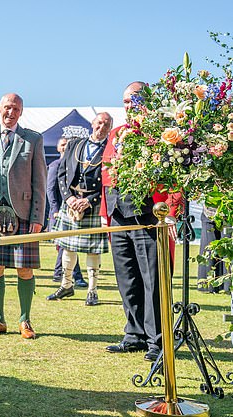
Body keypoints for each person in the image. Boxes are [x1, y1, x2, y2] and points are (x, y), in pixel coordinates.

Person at [101, 81, 180, 362]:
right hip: (118, 216)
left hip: (149, 215)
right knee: (128, 279)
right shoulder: (116, 134)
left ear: (146, 102)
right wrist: (104, 213)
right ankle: (133, 335)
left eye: (133, 100)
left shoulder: (159, 134)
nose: (128, 106)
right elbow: (105, 174)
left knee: (153, 280)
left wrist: (171, 211)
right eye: (124, 101)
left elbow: (174, 176)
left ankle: (158, 340)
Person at [0, 93, 46, 339]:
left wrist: (38, 217)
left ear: (21, 111)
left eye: (15, 108)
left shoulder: (33, 140)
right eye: (7, 107)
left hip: (23, 213)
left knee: (24, 269)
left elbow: (40, 182)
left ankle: (25, 320)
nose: (11, 112)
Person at [47, 113, 112, 306]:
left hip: (93, 203)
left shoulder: (110, 149)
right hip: (72, 201)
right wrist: (68, 198)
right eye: (99, 123)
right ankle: (66, 285)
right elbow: (62, 173)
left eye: (106, 125)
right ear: (92, 124)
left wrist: (90, 201)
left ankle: (92, 290)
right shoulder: (75, 144)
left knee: (93, 250)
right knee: (68, 246)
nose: (101, 127)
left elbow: (110, 182)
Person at [47, 136, 84, 286]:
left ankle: (60, 274)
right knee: (67, 245)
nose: (64, 147)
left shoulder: (73, 164)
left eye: (67, 145)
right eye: (62, 144)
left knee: (67, 245)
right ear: (57, 148)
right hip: (59, 212)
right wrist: (55, 209)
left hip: (71, 211)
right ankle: (76, 276)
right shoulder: (55, 165)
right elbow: (50, 189)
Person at [197, 205, 230, 293]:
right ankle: (227, 285)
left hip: (210, 210)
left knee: (209, 246)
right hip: (226, 210)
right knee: (227, 247)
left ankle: (207, 285)